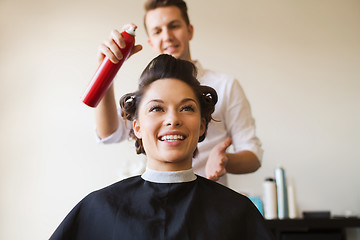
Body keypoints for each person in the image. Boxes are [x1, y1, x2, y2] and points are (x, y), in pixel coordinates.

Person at [51, 54, 273, 240]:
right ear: (136, 126)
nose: (173, 119)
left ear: (202, 124)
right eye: (157, 108)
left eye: (186, 108)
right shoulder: (100, 209)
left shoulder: (236, 212)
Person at [94, 0, 263, 185]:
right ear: (150, 42)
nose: (167, 36)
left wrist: (225, 160)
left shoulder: (226, 86)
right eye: (157, 31)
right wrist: (106, 71)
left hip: (207, 201)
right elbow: (109, 133)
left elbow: (253, 155)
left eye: (174, 26)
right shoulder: (148, 93)